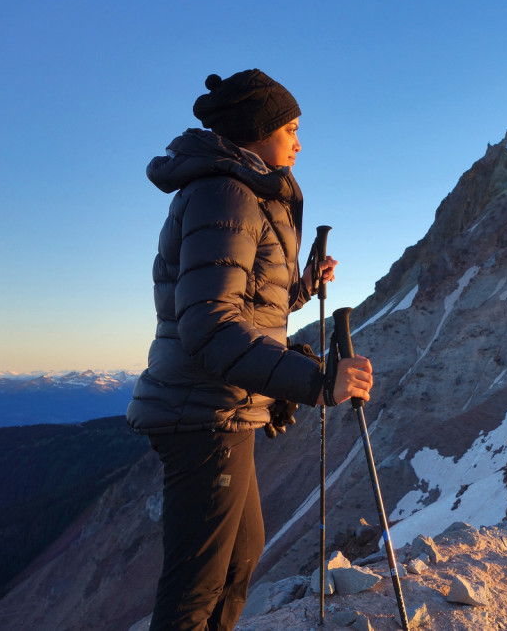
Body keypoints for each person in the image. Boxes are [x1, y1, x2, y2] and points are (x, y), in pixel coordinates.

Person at [126, 69, 373, 631]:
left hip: (218, 405)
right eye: (290, 128)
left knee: (239, 559)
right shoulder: (227, 193)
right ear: (258, 132)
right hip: (202, 411)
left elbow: (245, 303)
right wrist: (317, 382)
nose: (298, 141)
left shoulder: (239, 192)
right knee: (198, 584)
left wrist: (302, 284)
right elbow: (210, 326)